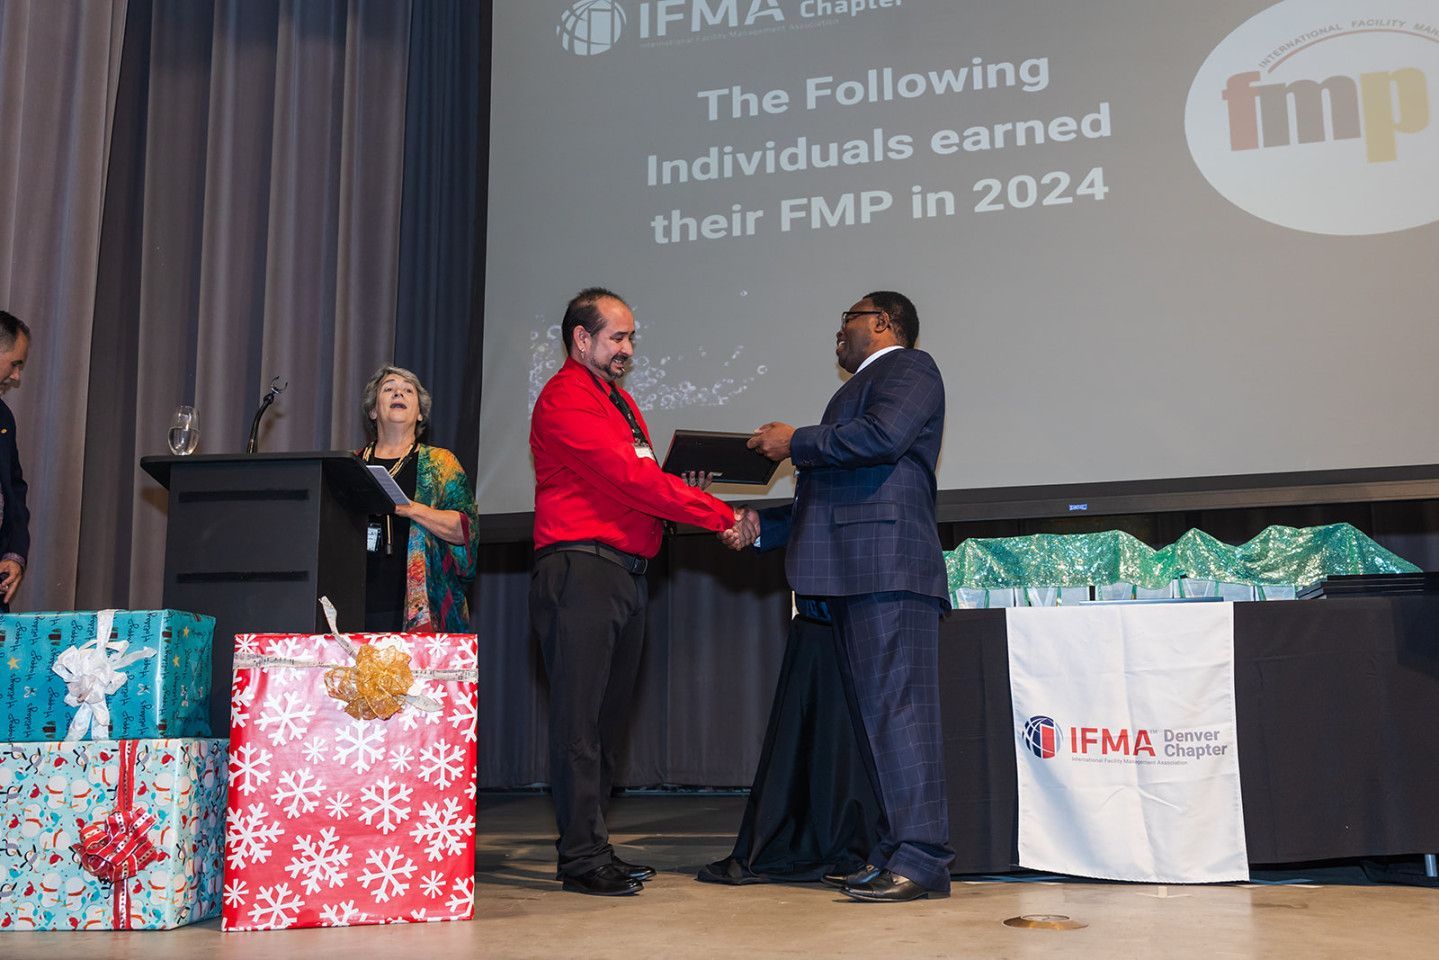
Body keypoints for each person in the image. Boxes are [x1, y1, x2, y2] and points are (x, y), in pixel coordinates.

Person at [723, 290, 955, 902]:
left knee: (901, 717)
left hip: (887, 571)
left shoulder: (910, 367)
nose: (838, 333)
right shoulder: (855, 390)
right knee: (876, 723)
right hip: (854, 574)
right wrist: (761, 529)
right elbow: (827, 496)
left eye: (846, 320)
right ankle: (892, 851)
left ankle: (924, 859)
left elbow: (882, 438)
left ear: (881, 323)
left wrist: (796, 441)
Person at [530, 287, 743, 896]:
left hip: (622, 571)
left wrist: (682, 486)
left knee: (605, 721)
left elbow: (641, 480)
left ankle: (595, 848)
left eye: (631, 338)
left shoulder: (616, 401)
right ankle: (580, 858)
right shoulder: (566, 397)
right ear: (582, 339)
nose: (627, 348)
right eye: (617, 337)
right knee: (579, 722)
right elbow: (627, 478)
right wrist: (718, 514)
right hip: (581, 570)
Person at [358, 364, 479, 632]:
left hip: (423, 608)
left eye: (407, 391)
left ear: (421, 413)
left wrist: (411, 509)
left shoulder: (440, 463)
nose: (398, 393)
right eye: (388, 389)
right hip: (354, 604)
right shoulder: (352, 465)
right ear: (373, 410)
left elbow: (465, 530)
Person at [0, 311, 29, 612]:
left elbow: (15, 492)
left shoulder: (4, 417)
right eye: (15, 363)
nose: (17, 376)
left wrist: (14, 554)